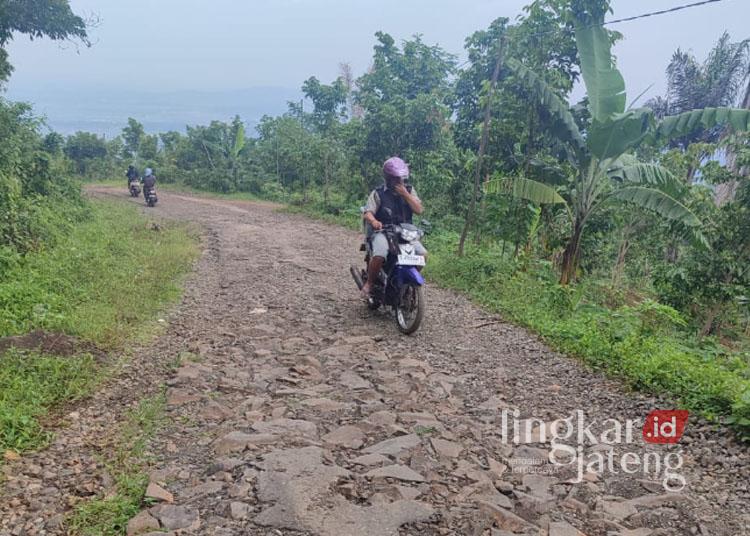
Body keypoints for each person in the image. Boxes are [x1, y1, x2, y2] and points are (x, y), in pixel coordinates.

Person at [360, 156, 425, 298]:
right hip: (383, 232)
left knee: (422, 255)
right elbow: (368, 212)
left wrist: (405, 194)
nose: (399, 181)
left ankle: (408, 282)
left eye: (401, 178)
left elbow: (419, 210)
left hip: (405, 232)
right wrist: (374, 221)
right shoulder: (378, 193)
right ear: (388, 178)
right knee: (380, 254)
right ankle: (370, 283)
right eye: (396, 178)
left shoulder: (409, 190)